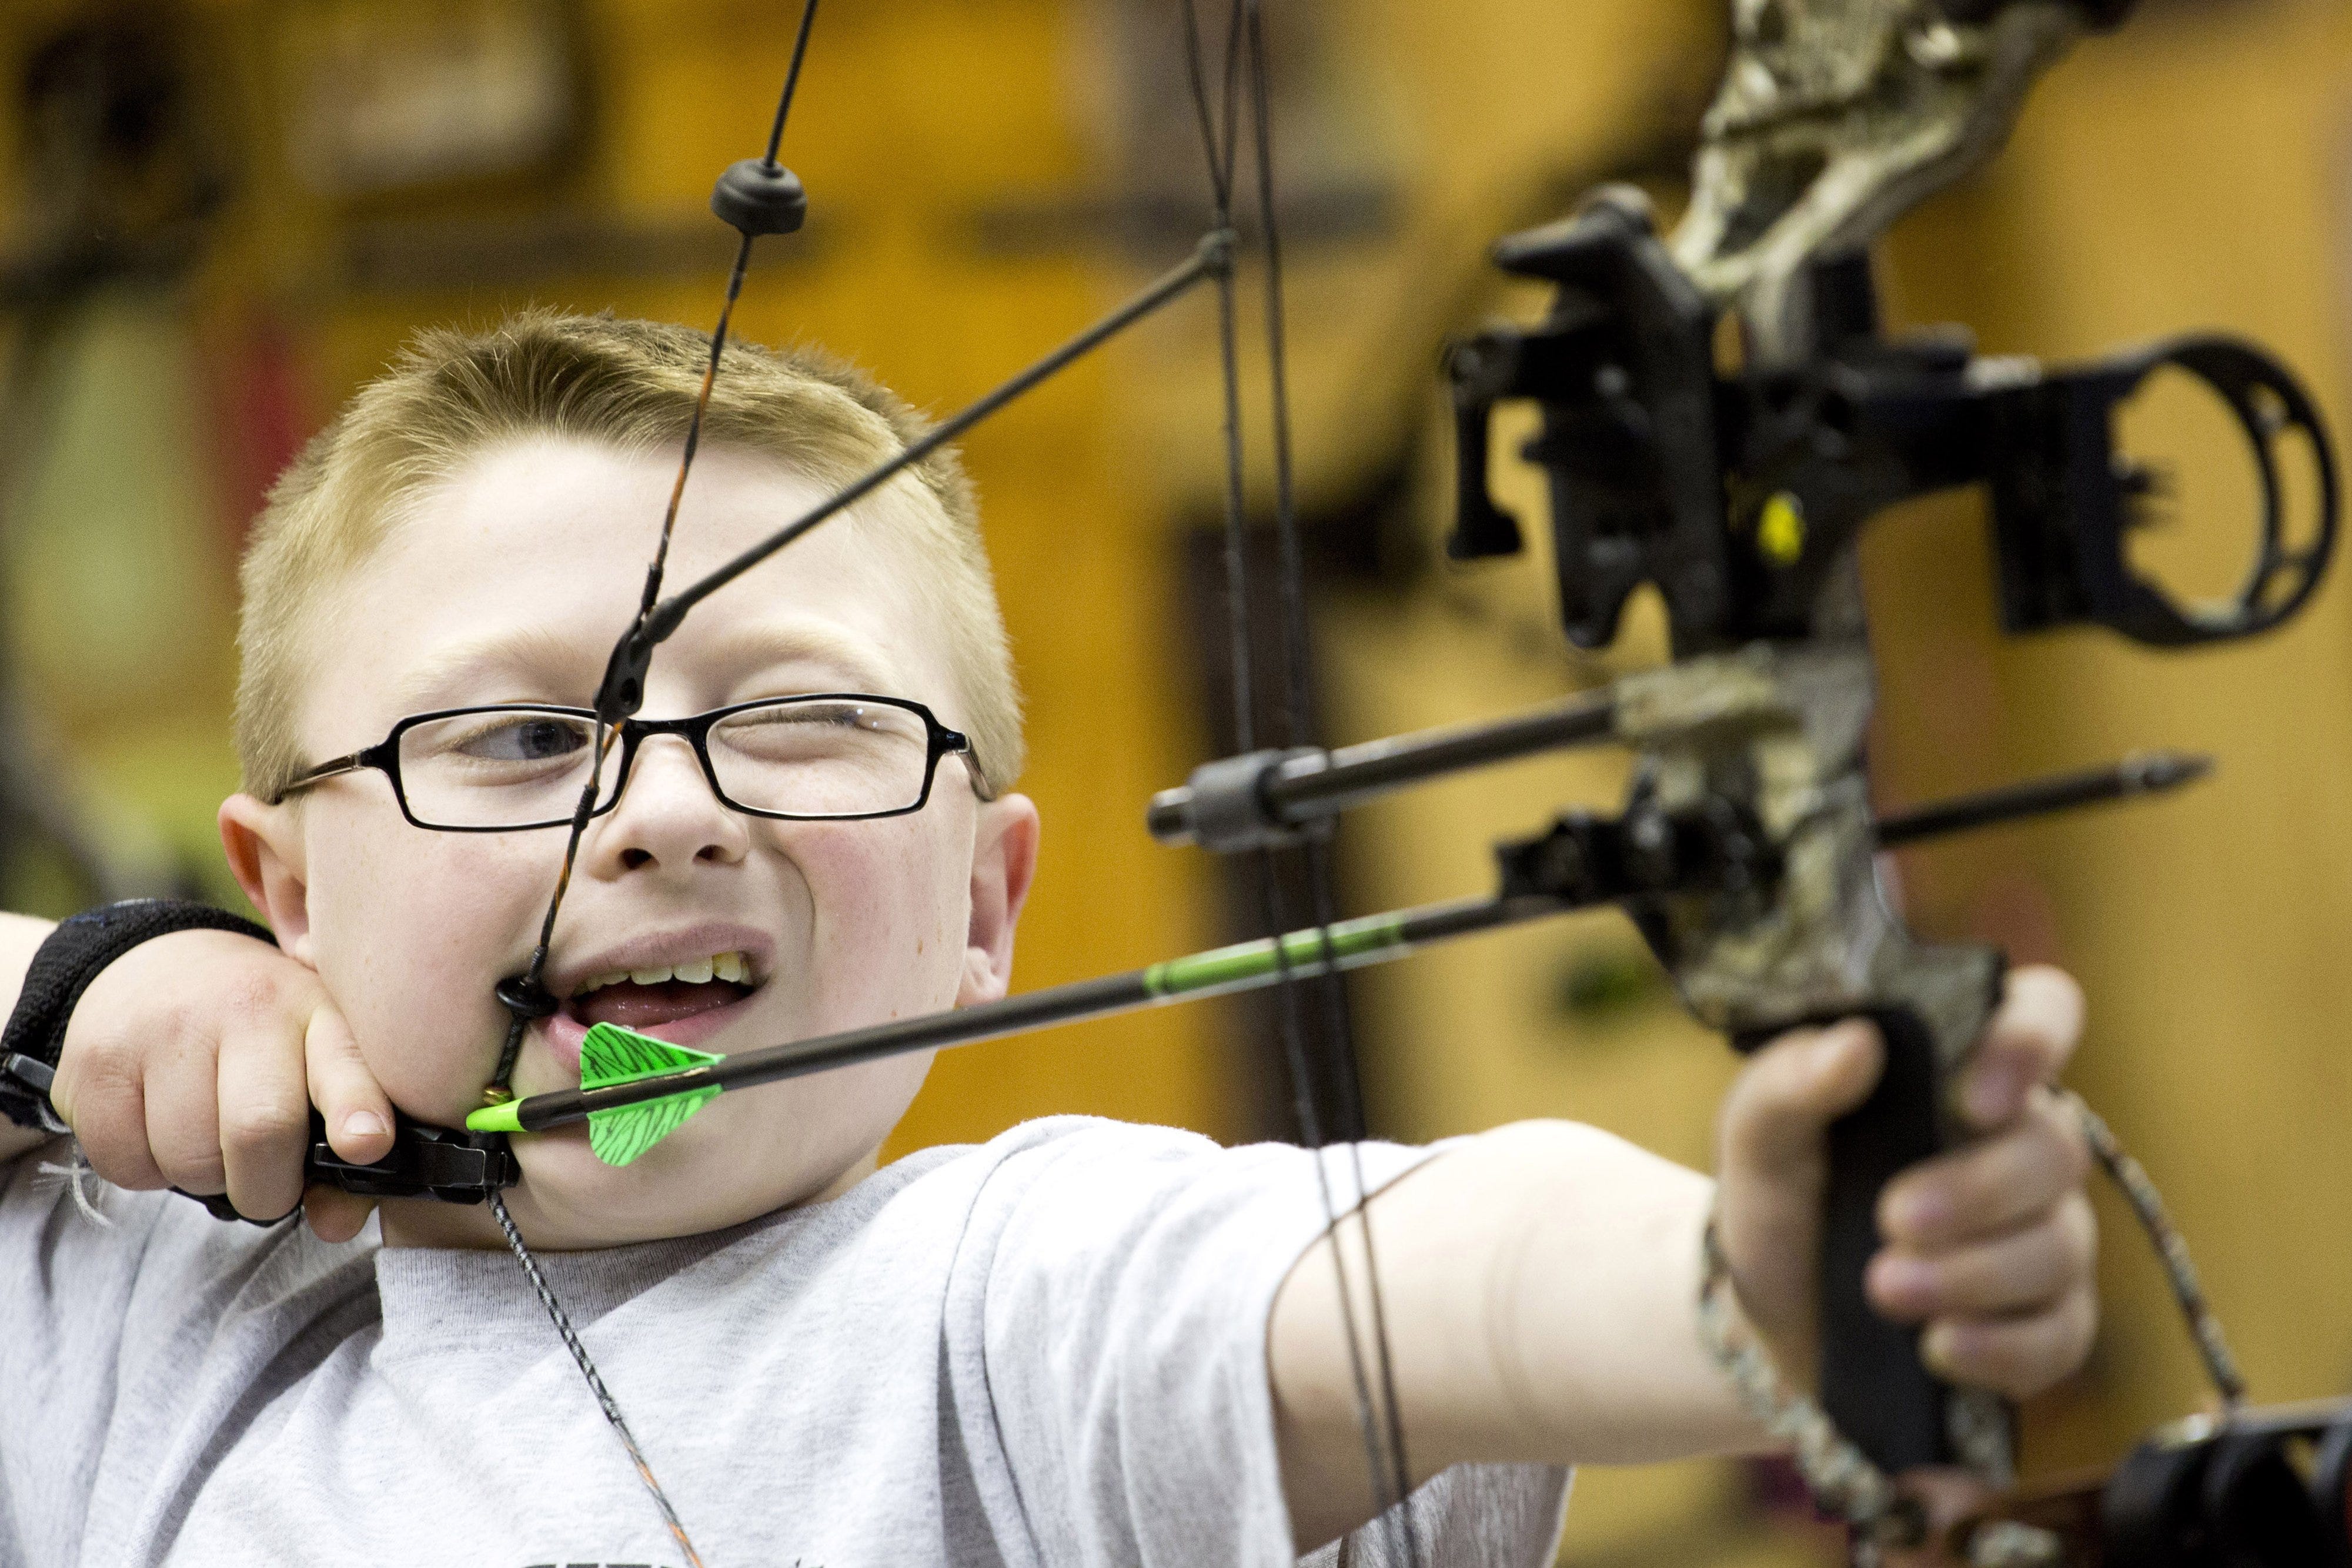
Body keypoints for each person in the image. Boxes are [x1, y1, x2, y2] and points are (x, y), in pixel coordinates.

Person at [0, 311, 2095, 1566]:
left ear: (988, 903)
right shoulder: (162, 1334)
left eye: (801, 717)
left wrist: (1743, 1279)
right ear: (284, 888)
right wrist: (83, 983)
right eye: (522, 733)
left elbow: (1423, 1266)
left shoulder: (999, 1303)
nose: (662, 809)